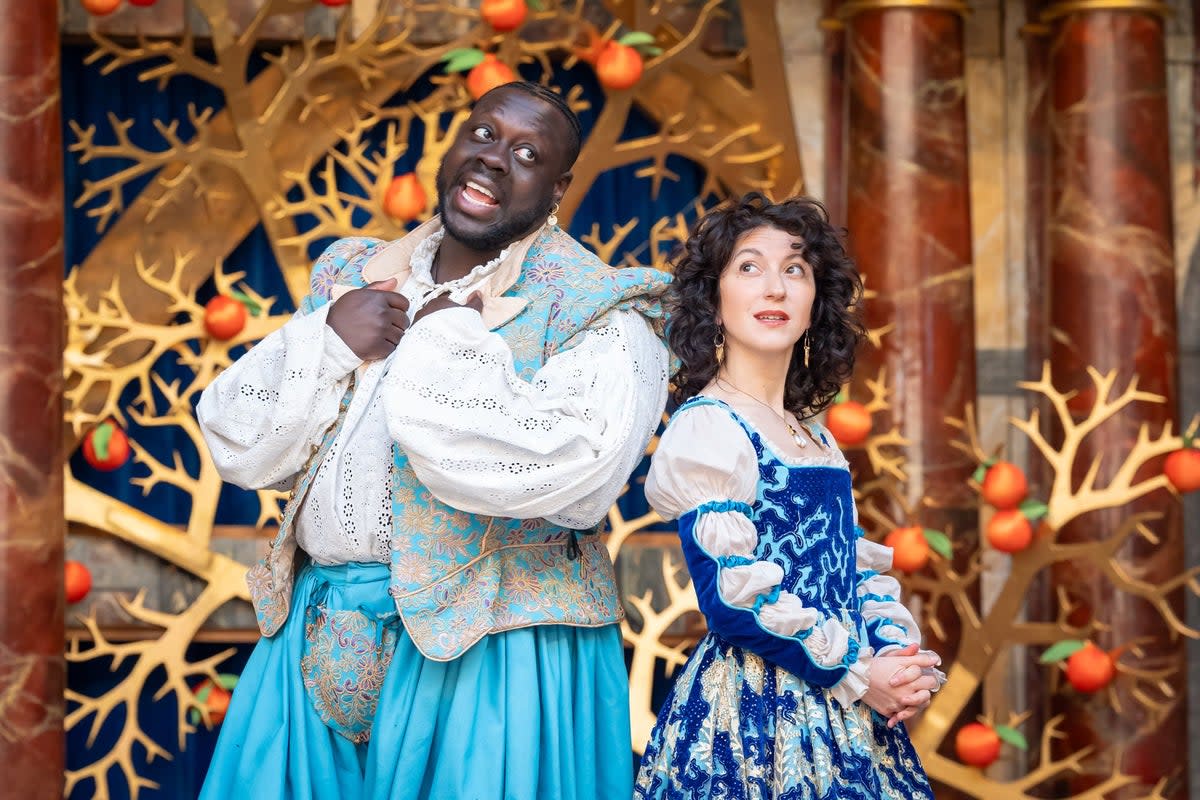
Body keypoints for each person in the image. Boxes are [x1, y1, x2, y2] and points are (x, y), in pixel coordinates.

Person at [196, 81, 670, 800]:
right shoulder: (352, 275)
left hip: (495, 656)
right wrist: (326, 341)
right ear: (452, 147)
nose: (493, 161)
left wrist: (448, 336)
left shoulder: (596, 307)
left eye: (527, 153)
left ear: (558, 188)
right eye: (482, 136)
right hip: (314, 634)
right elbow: (245, 445)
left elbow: (576, 478)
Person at [633, 193, 945, 799]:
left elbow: (852, 570)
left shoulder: (817, 437)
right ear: (714, 300)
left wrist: (894, 659)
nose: (774, 287)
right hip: (755, 717)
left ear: (813, 307)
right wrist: (859, 674)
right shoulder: (710, 426)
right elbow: (733, 601)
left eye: (794, 270)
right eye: (748, 267)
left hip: (849, 708)